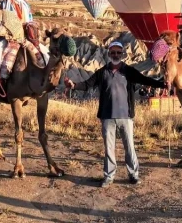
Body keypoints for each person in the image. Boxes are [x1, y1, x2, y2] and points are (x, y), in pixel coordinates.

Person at [64, 42, 165, 187]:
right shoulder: (102, 72)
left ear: (123, 54)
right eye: (113, 53)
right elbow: (87, 85)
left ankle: (133, 175)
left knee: (129, 146)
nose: (115, 55)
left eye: (118, 52)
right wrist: (73, 85)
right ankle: (109, 176)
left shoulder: (129, 71)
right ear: (108, 54)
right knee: (109, 148)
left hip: (126, 116)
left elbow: (145, 80)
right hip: (107, 116)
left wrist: (163, 84)